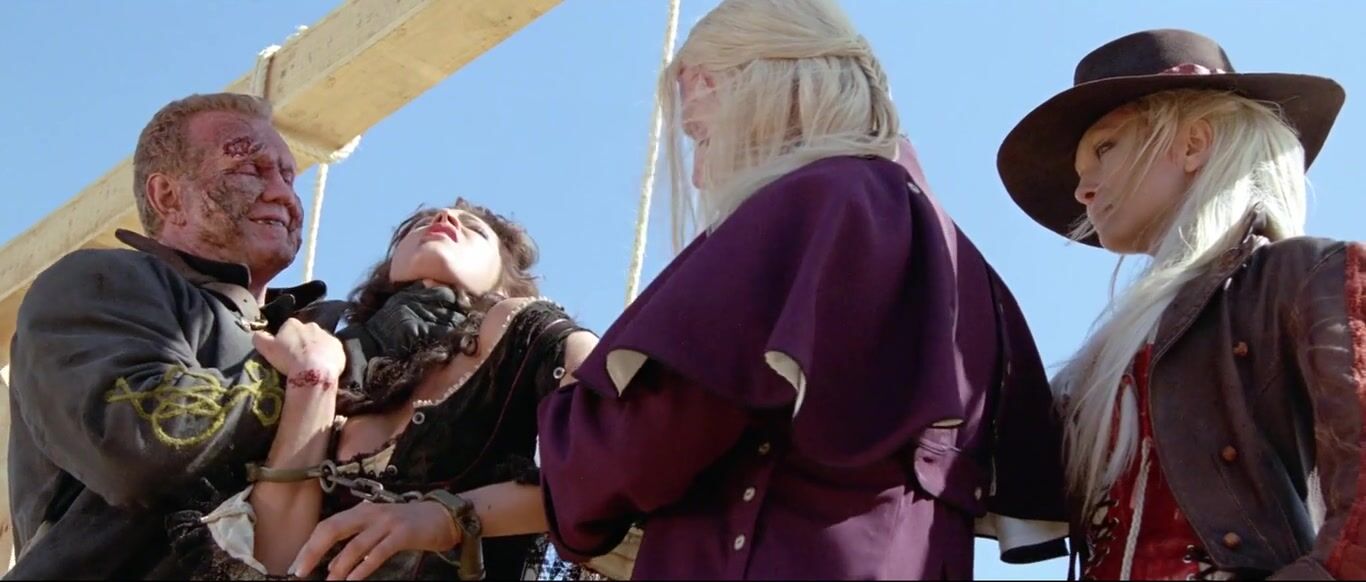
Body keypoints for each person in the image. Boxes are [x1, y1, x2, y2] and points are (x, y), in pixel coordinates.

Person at [536, 0, 1069, 578]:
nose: (697, 174)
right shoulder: (961, 261)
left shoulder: (815, 206)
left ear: (748, 90)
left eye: (700, 135)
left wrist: (562, 412)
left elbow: (643, 445)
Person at [4, 93, 450, 579]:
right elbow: (148, 445)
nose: (282, 194)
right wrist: (355, 360)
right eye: (250, 169)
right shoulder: (99, 284)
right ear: (167, 197)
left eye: (288, 176)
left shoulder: (317, 328)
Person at [995, 28, 1366, 579]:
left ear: (1192, 144)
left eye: (1104, 148)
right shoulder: (1096, 365)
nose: (1082, 190)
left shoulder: (1307, 276)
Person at [167, 199, 604, 581]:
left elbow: (615, 461)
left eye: (474, 229)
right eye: (421, 223)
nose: (446, 218)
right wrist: (312, 382)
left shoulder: (524, 334)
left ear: (506, 282)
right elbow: (278, 562)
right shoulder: (317, 349)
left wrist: (449, 517)